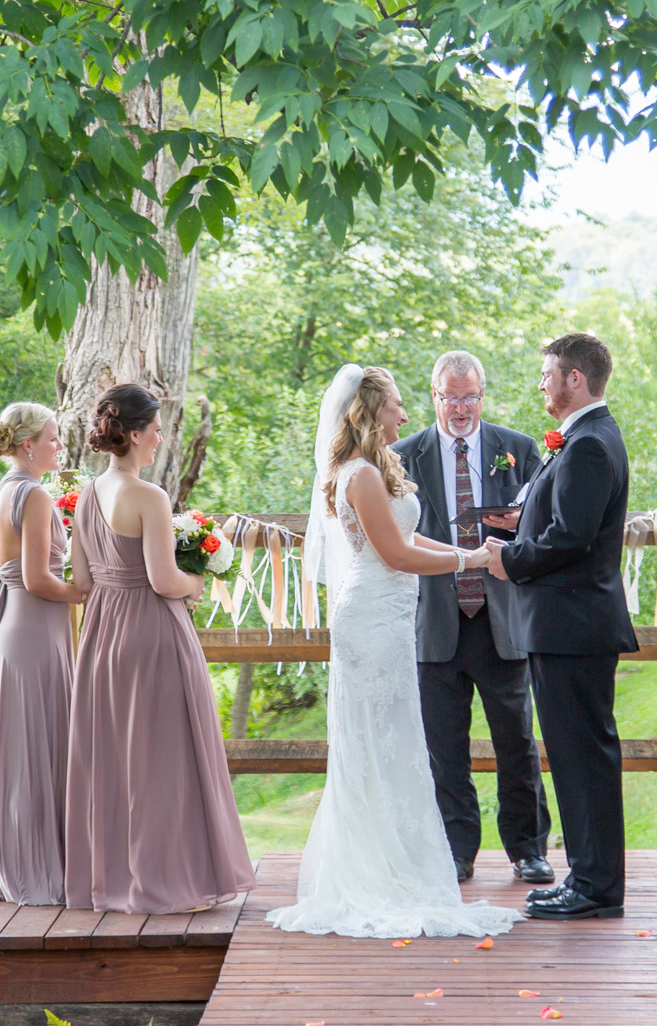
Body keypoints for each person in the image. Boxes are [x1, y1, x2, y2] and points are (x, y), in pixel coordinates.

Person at [268, 365, 521, 939]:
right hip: (371, 620)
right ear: (369, 411)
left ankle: (403, 860)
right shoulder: (356, 475)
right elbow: (396, 556)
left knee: (401, 738)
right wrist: (471, 561)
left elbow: (409, 539)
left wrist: (466, 548)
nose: (405, 417)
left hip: (391, 617)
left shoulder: (376, 466)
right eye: (396, 407)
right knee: (380, 742)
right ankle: (373, 869)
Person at [65, 384, 254, 914]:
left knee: (118, 758)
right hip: (151, 631)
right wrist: (198, 583)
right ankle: (167, 881)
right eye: (155, 429)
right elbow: (164, 580)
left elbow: (81, 578)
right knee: (165, 759)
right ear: (132, 433)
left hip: (103, 634)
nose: (160, 438)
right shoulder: (149, 497)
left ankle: (119, 881)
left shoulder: (85, 495)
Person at [483, 332, 636, 922]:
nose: (541, 383)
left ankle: (595, 886)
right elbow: (565, 519)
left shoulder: (590, 445)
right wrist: (522, 522)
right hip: (568, 626)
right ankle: (588, 877)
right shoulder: (583, 441)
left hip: (573, 627)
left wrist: (508, 556)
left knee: (583, 758)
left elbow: (571, 539)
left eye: (548, 373)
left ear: (575, 378)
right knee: (577, 757)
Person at [390, 350, 552, 887]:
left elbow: (544, 526)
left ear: (483, 396)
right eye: (450, 397)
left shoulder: (519, 450)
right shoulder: (401, 458)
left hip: (502, 618)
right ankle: (456, 851)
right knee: (444, 749)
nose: (461, 408)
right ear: (433, 397)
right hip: (433, 620)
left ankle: (528, 850)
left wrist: (517, 526)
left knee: (517, 743)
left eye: (470, 397)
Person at [0, 402, 83, 906]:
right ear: (27, 445)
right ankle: (38, 868)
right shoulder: (34, 495)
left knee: (23, 753)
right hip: (35, 632)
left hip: (19, 631)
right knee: (39, 750)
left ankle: (22, 860)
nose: (60, 447)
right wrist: (91, 588)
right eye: (54, 439)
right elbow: (39, 579)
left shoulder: (2, 491)